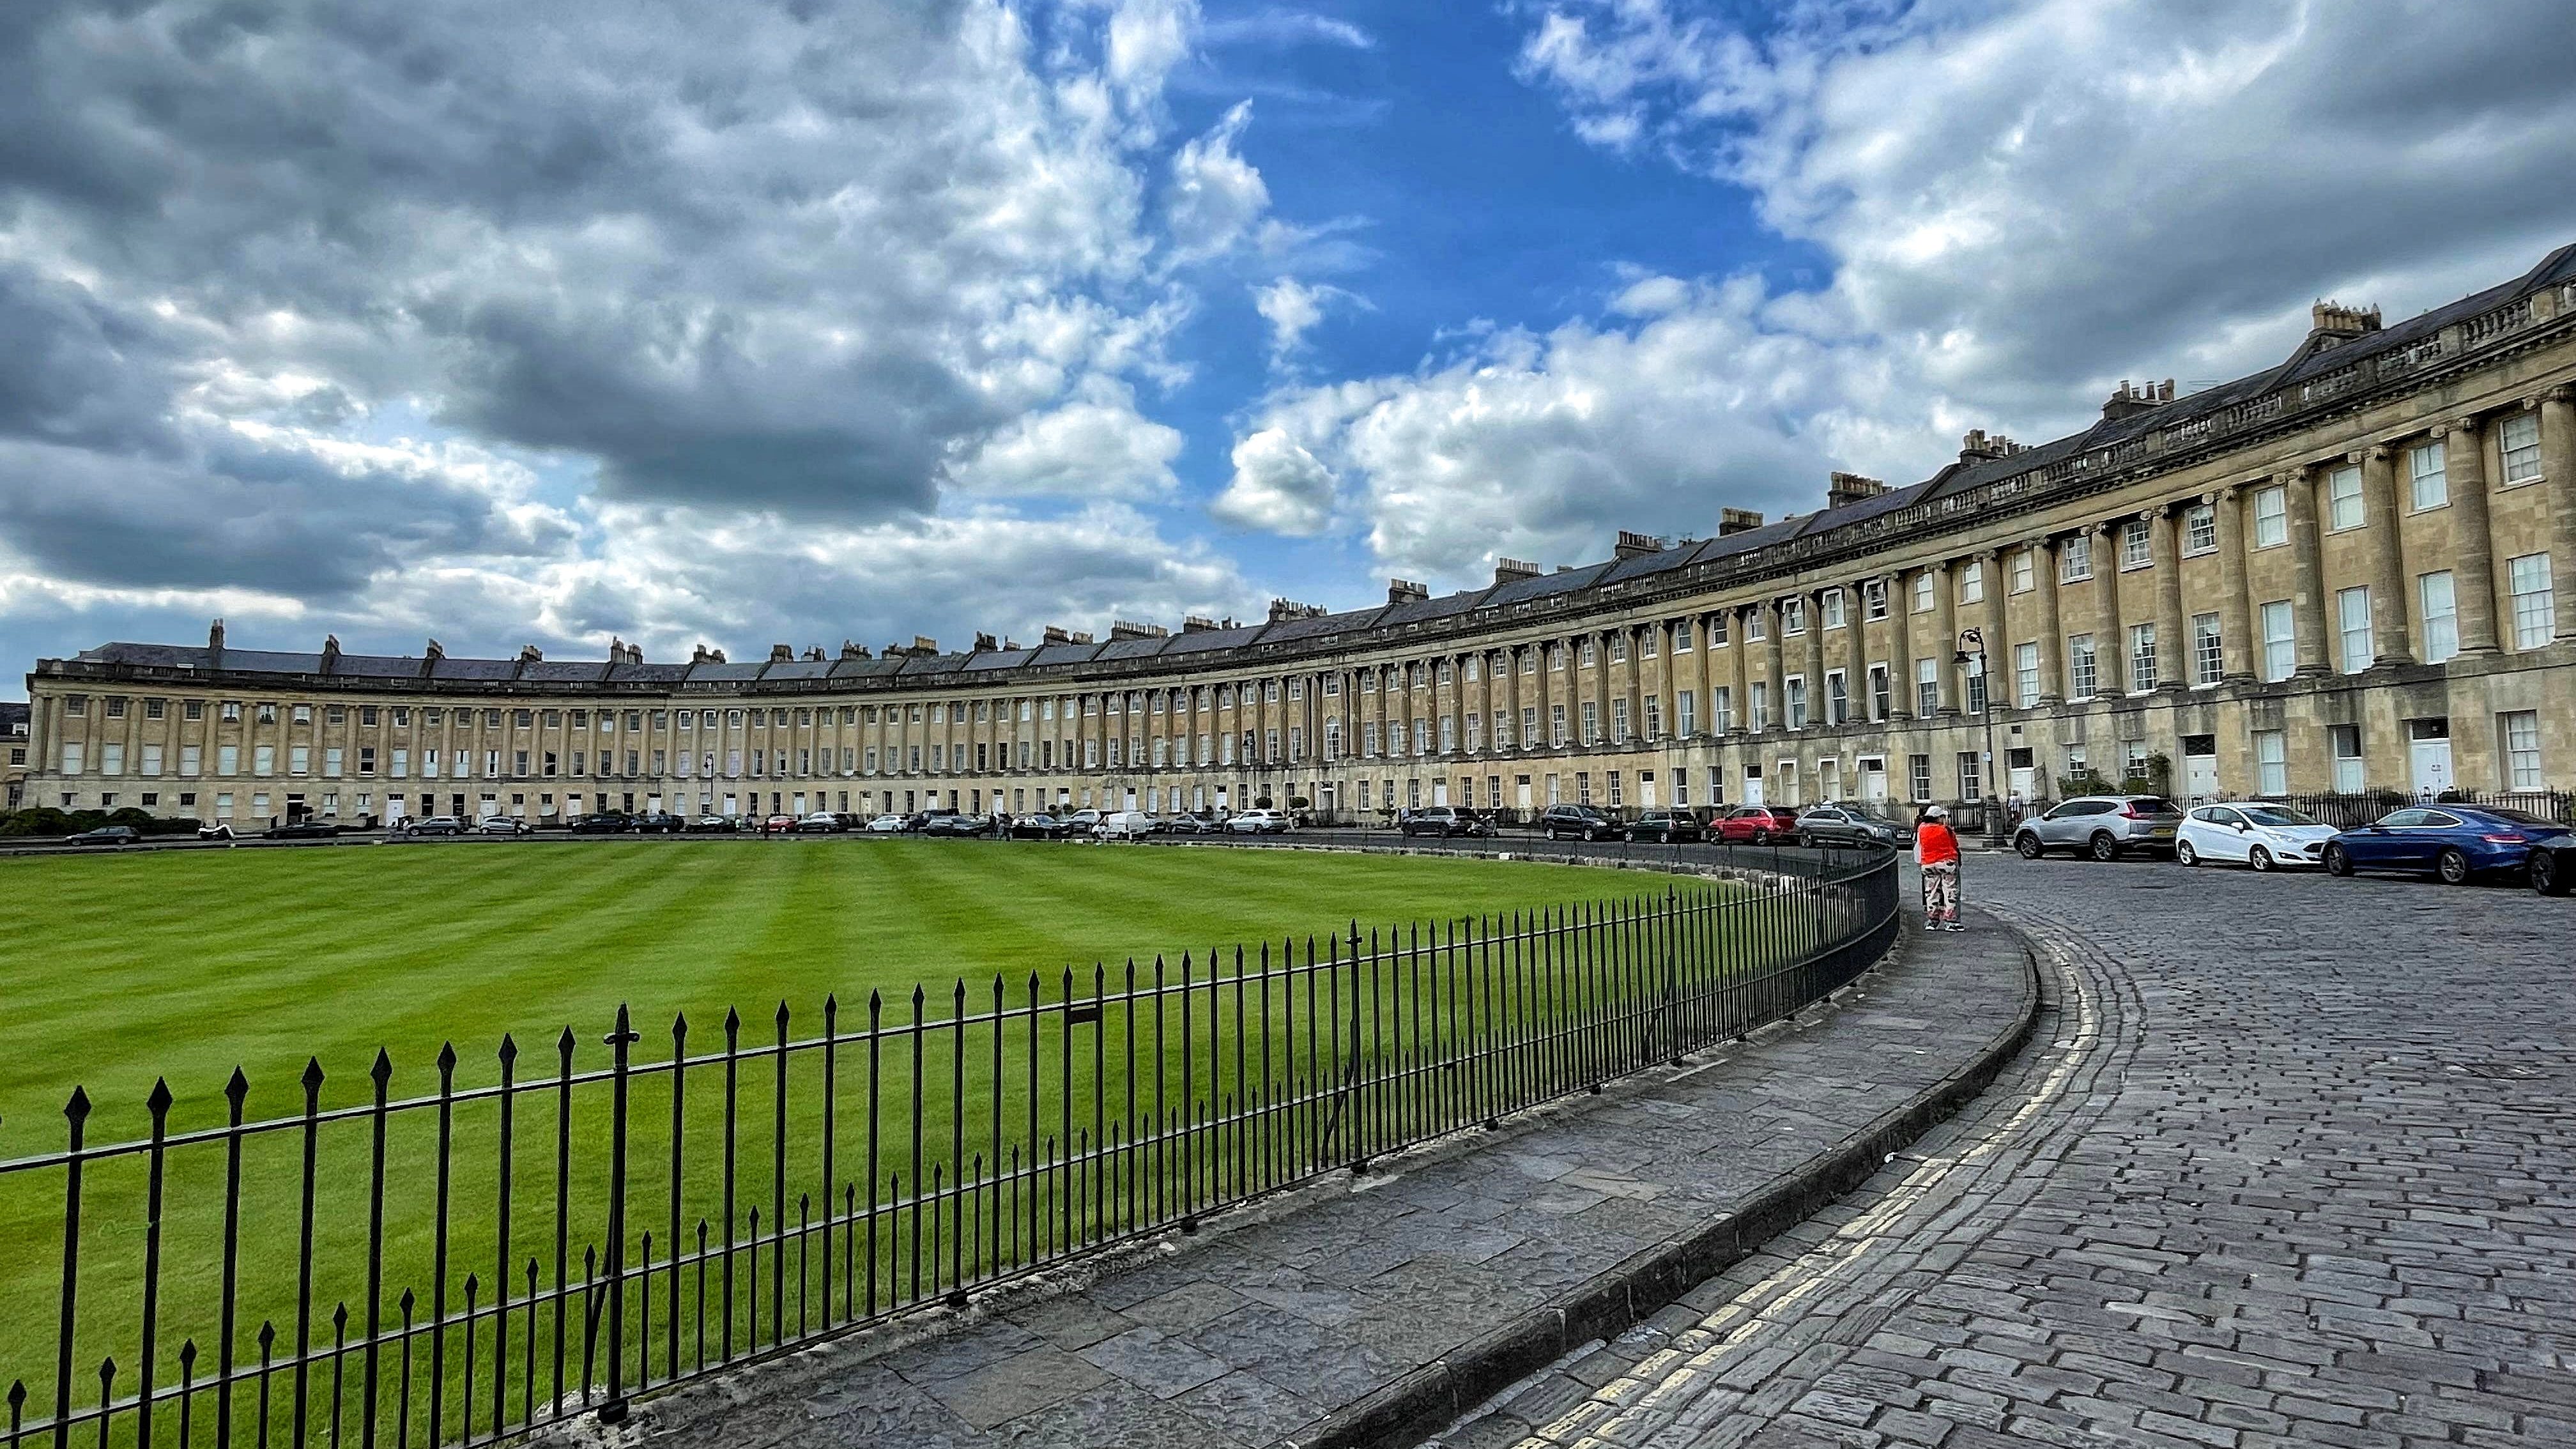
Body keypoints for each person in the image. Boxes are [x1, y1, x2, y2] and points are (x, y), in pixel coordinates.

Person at [1915, 804, 1963, 931]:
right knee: (1950, 891)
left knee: (1931, 892)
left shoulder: (1922, 828)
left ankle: (1933, 920)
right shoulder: (1945, 829)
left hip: (1928, 863)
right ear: (1938, 817)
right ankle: (1951, 921)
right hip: (1947, 862)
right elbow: (1954, 844)